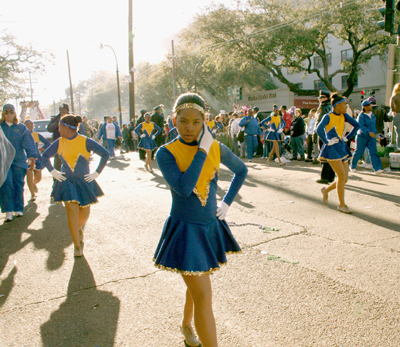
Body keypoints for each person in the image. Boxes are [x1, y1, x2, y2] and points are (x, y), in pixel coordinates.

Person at [154, 92, 247, 347]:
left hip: (209, 228)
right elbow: (184, 188)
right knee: (204, 295)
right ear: (174, 120)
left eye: (196, 122)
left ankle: (185, 325)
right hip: (185, 231)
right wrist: (203, 151)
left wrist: (227, 202)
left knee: (196, 284)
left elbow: (241, 170)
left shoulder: (216, 147)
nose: (190, 127)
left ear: (205, 120)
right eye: (184, 121)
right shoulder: (166, 152)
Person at [42, 114, 109, 257]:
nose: (58, 130)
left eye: (60, 127)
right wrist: (53, 172)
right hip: (67, 184)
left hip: (84, 183)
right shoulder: (59, 142)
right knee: (71, 214)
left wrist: (96, 173)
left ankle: (78, 229)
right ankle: (77, 246)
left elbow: (105, 154)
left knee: (84, 214)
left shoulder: (85, 141)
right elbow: (45, 156)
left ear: (67, 128)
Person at [315, 93, 359, 214]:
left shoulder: (343, 115)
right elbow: (318, 129)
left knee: (344, 179)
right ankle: (342, 205)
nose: (346, 107)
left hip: (341, 146)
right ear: (337, 105)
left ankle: (325, 190)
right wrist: (327, 141)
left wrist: (347, 137)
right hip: (332, 149)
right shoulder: (328, 116)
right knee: (341, 176)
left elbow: (357, 125)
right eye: (344, 105)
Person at [0, 104, 36, 222]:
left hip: (19, 160)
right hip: (3, 162)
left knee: (18, 184)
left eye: (11, 112)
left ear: (15, 113)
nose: (9, 114)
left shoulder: (21, 128)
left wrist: (31, 156)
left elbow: (29, 143)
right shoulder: (0, 127)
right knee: (6, 184)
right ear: (3, 113)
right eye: (6, 112)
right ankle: (8, 211)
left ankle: (18, 208)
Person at [350, 100, 383, 174]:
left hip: (371, 137)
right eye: (368, 105)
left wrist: (374, 132)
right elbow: (361, 126)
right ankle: (353, 165)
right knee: (359, 151)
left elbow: (374, 125)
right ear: (364, 107)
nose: (370, 106)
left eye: (370, 105)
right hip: (362, 136)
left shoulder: (372, 115)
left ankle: (377, 169)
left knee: (373, 152)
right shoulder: (361, 116)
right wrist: (368, 132)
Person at [24, 120, 51, 201]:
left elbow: (47, 143)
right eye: (27, 124)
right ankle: (33, 194)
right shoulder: (22, 135)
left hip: (37, 158)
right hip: (27, 158)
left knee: (38, 177)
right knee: (29, 176)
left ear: (33, 126)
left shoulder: (36, 135)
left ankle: (34, 184)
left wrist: (39, 149)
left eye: (31, 124)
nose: (29, 126)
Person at [315, 91, 336, 184]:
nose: (319, 99)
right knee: (329, 155)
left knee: (324, 155)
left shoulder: (324, 107)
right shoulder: (329, 107)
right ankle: (331, 176)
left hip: (324, 133)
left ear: (326, 98)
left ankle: (325, 177)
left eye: (321, 97)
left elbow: (321, 122)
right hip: (328, 133)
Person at [47, 103, 69, 183]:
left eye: (64, 110)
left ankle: (69, 182)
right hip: (58, 145)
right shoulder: (55, 118)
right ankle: (56, 183)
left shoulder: (71, 118)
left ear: (68, 111)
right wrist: (58, 122)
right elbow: (49, 128)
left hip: (70, 145)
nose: (63, 112)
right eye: (61, 110)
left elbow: (79, 130)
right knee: (57, 165)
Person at [390, 84, 400, 151]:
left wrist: (394, 111)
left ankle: (399, 147)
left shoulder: (394, 97)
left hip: (397, 114)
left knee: (398, 132)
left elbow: (392, 105)